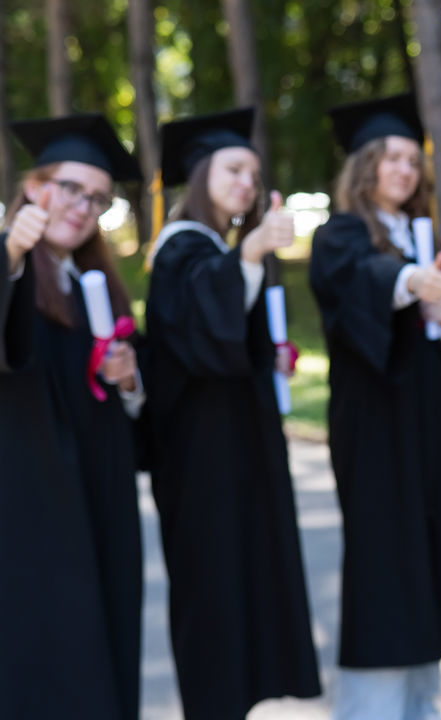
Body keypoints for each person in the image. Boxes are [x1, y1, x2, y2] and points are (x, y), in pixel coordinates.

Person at [309, 93, 441, 720]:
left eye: (414, 160)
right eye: (392, 158)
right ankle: (369, 709)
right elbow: (352, 282)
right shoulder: (341, 233)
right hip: (376, 427)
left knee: (434, 556)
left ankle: (421, 703)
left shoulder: (426, 234)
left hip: (436, 427)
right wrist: (411, 283)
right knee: (386, 566)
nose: (406, 170)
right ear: (365, 166)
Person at [145, 108, 321, 720]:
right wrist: (248, 253)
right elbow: (201, 331)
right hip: (201, 466)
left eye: (253, 172)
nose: (246, 182)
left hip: (232, 457)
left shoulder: (211, 249)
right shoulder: (179, 248)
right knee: (214, 599)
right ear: (200, 175)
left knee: (241, 590)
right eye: (233, 169)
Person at [0, 114, 144, 719]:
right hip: (30, 508)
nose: (82, 207)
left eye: (98, 198)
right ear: (35, 187)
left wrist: (129, 379)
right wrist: (9, 251)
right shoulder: (12, 262)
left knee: (102, 641)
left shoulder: (95, 280)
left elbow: (127, 400)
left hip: (98, 498)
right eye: (69, 188)